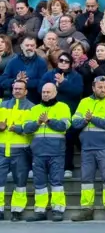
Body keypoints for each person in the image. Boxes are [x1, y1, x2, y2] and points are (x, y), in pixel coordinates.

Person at [70, 76, 105, 222]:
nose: (103, 90)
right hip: (87, 148)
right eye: (100, 87)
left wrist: (91, 119)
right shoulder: (84, 102)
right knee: (86, 180)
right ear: (93, 88)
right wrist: (85, 120)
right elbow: (75, 122)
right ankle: (86, 209)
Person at [23, 83, 71, 222]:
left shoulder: (63, 107)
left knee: (56, 182)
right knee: (39, 183)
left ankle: (58, 210)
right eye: (43, 92)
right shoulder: (34, 109)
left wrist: (48, 121)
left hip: (56, 152)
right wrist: (38, 122)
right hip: (38, 152)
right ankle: (40, 210)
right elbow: (26, 128)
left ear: (55, 93)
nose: (45, 94)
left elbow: (65, 125)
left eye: (48, 92)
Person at [0, 80, 34, 222]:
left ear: (26, 91)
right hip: (1, 150)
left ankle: (17, 210)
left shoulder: (32, 107)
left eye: (20, 89)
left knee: (20, 183)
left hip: (21, 151)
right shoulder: (2, 105)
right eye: (15, 88)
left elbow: (32, 128)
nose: (17, 91)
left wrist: (18, 128)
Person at [0, 36, 47, 104]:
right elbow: (2, 81)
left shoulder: (41, 62)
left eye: (32, 45)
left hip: (33, 101)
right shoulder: (13, 61)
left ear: (36, 46)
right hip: (13, 102)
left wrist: (25, 82)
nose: (29, 48)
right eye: (27, 45)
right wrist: (16, 80)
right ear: (21, 46)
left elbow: (43, 82)